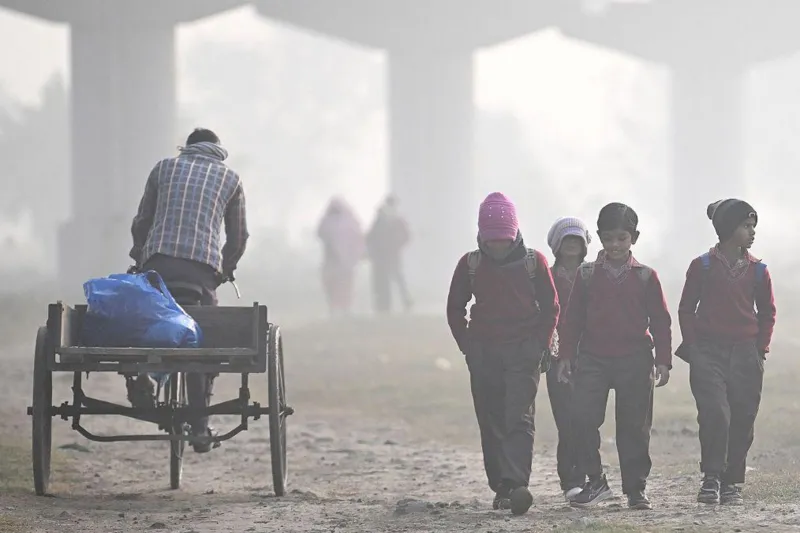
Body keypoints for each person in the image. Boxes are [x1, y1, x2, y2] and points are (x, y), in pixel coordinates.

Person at [129, 127, 249, 453]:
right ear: (218, 151)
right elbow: (238, 237)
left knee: (147, 315)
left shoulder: (163, 168)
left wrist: (139, 255)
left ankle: (142, 374)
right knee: (203, 338)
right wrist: (226, 268)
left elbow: (142, 220)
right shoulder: (230, 180)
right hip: (200, 272)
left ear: (187, 149)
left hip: (159, 267)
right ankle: (199, 425)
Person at [446, 192, 559, 516]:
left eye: (503, 240)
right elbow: (455, 308)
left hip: (524, 352)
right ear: (481, 235)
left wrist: (540, 344)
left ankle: (516, 483)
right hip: (484, 352)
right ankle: (501, 486)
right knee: (491, 418)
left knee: (519, 418)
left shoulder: (533, 262)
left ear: (514, 235)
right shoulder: (471, 264)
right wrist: (467, 345)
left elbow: (551, 307)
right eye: (491, 240)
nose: (497, 246)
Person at [557, 202, 672, 510]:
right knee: (581, 418)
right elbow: (572, 319)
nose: (615, 245)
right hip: (593, 357)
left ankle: (636, 489)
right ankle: (595, 482)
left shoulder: (646, 277)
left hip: (635, 359)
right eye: (608, 238)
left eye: (622, 238)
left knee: (634, 427)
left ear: (633, 237)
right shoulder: (586, 275)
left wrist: (663, 359)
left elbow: (661, 320)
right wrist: (566, 355)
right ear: (600, 237)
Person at [676, 199, 776, 506]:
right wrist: (692, 345)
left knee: (743, 417)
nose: (752, 232)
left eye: (753, 226)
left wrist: (760, 348)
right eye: (746, 226)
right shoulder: (702, 266)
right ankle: (711, 478)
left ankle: (733, 481)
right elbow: (686, 309)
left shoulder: (759, 270)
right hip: (708, 353)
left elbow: (767, 312)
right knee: (715, 414)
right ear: (727, 229)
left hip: (746, 353)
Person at [545, 216, 592, 502]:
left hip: (592, 355)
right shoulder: (545, 277)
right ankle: (571, 478)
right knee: (566, 419)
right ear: (556, 246)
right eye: (567, 239)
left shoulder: (594, 275)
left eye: (577, 239)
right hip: (556, 355)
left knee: (586, 418)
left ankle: (589, 475)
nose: (572, 244)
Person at [316, 197, 365, 317]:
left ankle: (342, 308)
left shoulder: (332, 221)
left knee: (341, 285)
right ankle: (339, 308)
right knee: (336, 284)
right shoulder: (349, 221)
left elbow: (357, 239)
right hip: (336, 259)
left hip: (337, 260)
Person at [365, 195, 412, 314]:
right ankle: (397, 303)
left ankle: (385, 305)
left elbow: (370, 237)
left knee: (385, 280)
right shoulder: (395, 219)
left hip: (383, 255)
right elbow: (406, 236)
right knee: (395, 279)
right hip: (388, 254)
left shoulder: (383, 219)